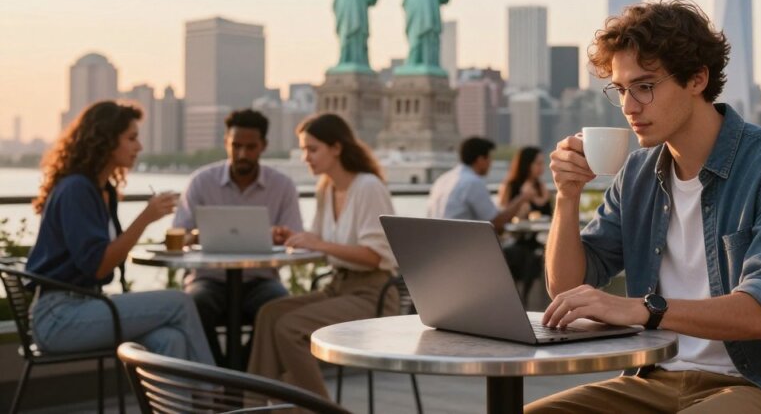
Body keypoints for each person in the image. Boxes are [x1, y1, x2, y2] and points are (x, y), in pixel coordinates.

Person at [528, 0, 761, 414]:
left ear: (697, 79)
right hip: (653, 379)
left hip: (760, 386)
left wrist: (641, 309)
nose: (628, 107)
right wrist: (566, 197)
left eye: (645, 86)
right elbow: (567, 287)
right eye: (620, 90)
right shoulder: (637, 172)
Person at [26, 101, 213, 364]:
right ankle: (215, 397)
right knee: (180, 302)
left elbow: (109, 255)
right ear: (105, 140)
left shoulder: (104, 191)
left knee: (170, 339)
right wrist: (145, 218)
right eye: (131, 138)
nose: (139, 147)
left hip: (87, 305)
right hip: (59, 317)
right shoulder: (76, 190)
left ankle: (179, 405)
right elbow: (99, 266)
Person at [248, 113, 397, 397]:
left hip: (373, 295)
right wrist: (291, 237)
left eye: (312, 149)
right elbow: (318, 241)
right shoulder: (326, 189)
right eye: (304, 149)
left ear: (337, 148)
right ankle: (260, 405)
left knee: (290, 328)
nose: (306, 157)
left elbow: (374, 257)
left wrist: (320, 245)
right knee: (269, 314)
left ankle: (321, 409)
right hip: (337, 288)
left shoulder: (368, 187)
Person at [173, 109, 303, 366]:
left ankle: (240, 374)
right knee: (192, 306)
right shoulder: (200, 182)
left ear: (263, 146)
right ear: (226, 143)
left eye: (250, 147)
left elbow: (295, 240)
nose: (242, 154)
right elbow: (180, 234)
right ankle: (220, 374)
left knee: (281, 309)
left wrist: (281, 236)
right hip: (208, 279)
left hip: (261, 281)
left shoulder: (283, 186)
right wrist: (197, 235)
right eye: (236, 146)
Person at [426, 136, 530, 234]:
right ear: (480, 159)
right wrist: (522, 198)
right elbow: (495, 223)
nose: (491, 163)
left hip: (439, 242)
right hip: (462, 246)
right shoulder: (472, 182)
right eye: (489, 158)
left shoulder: (442, 180)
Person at [499, 146, 553, 220]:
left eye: (542, 163)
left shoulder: (540, 186)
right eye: (538, 163)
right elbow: (503, 212)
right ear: (527, 164)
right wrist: (522, 198)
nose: (542, 167)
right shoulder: (511, 185)